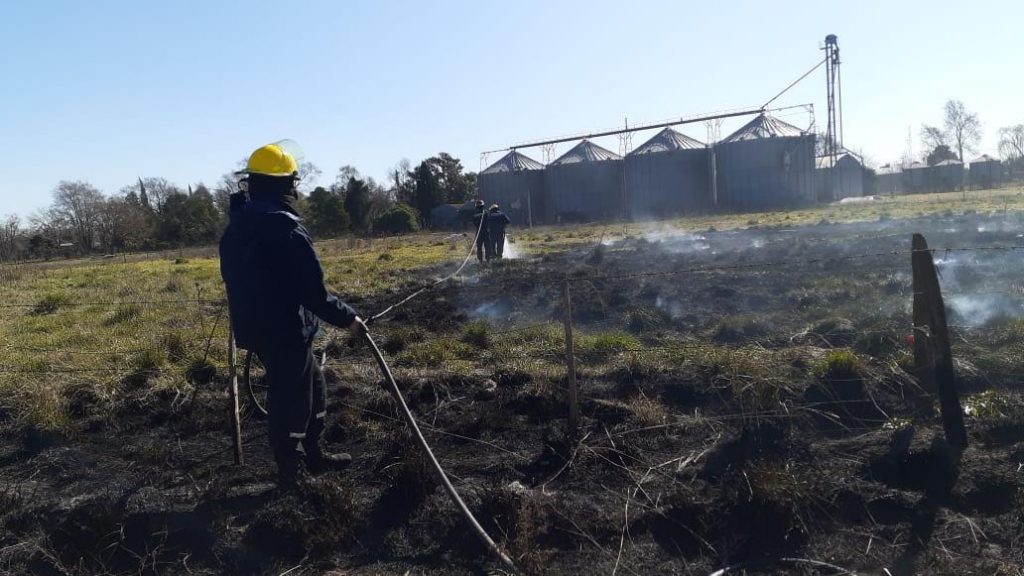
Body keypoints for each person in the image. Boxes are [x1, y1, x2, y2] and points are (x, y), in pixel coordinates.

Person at [220, 142, 367, 488]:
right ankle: (292, 473)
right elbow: (312, 292)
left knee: (312, 385)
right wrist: (349, 319)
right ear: (284, 185)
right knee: (291, 398)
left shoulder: (237, 226)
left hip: (259, 326)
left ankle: (312, 453)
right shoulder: (284, 228)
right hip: (284, 329)